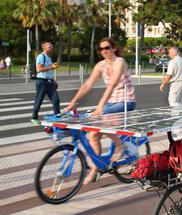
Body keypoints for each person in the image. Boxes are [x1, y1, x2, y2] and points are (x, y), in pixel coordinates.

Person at [63, 37, 136, 184]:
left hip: (126, 101)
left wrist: (100, 106)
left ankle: (120, 145)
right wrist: (73, 102)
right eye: (101, 49)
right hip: (111, 102)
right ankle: (97, 169)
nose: (104, 51)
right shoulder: (100, 65)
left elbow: (112, 84)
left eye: (107, 48)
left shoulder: (119, 62)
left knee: (99, 121)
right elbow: (88, 84)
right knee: (93, 136)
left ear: (114, 48)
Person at [31, 42, 60, 125]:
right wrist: (51, 67)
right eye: (49, 46)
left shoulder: (49, 57)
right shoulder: (41, 56)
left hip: (49, 81)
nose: (51, 47)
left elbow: (49, 70)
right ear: (44, 48)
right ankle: (34, 117)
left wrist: (53, 79)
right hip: (42, 81)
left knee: (56, 99)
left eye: (52, 46)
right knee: (39, 100)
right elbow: (39, 69)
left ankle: (57, 116)